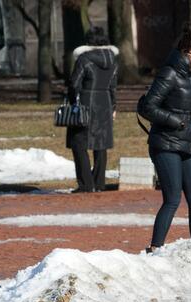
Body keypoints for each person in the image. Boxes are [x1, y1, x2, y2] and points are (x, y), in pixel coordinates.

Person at [137, 22, 191, 275]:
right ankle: (155, 249)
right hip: (165, 144)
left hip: (187, 144)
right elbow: (147, 107)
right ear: (185, 53)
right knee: (172, 199)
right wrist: (175, 121)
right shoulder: (169, 74)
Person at [66, 27, 118, 192]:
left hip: (86, 104)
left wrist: (73, 101)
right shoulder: (113, 60)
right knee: (100, 144)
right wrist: (114, 107)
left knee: (78, 142)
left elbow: (74, 84)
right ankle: (99, 183)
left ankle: (86, 184)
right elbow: (113, 87)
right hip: (105, 103)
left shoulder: (84, 58)